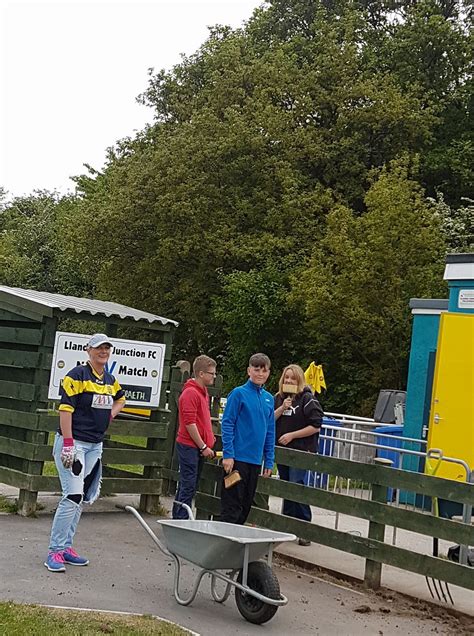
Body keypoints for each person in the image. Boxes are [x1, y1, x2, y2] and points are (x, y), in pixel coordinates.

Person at [44, 333, 126, 572]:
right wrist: (68, 443)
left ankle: (66, 547)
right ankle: (54, 551)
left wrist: (109, 415)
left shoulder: (110, 380)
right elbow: (65, 410)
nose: (103, 351)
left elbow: (121, 399)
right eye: (99, 347)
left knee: (81, 496)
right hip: (75, 443)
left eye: (107, 348)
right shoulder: (76, 375)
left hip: (94, 445)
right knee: (72, 495)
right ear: (88, 350)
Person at [220, 353, 275, 525]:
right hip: (237, 459)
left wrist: (269, 460)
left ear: (268, 373)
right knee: (232, 506)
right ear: (249, 371)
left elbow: (270, 430)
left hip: (255, 460)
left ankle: (236, 539)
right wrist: (228, 454)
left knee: (246, 506)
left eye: (264, 371)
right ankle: (225, 539)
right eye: (256, 370)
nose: (260, 374)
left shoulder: (269, 399)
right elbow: (227, 423)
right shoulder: (238, 393)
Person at [274, 364, 323, 545]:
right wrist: (281, 408)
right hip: (282, 450)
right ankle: (287, 524)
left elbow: (316, 425)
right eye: (286, 377)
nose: (289, 381)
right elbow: (268, 419)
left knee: (297, 485)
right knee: (286, 485)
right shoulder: (278, 398)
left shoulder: (307, 399)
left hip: (301, 450)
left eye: (293, 378)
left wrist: (293, 435)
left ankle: (304, 527)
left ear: (299, 380)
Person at [172, 355, 216, 519]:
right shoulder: (191, 393)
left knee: (190, 484)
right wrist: (203, 445)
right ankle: (181, 519)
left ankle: (179, 517)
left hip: (197, 446)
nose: (214, 376)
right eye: (211, 373)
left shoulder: (203, 393)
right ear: (201, 374)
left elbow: (201, 420)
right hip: (189, 446)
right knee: (188, 484)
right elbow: (189, 423)